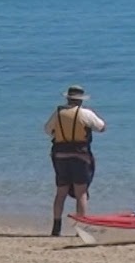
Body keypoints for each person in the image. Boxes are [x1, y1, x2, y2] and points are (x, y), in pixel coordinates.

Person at [45, 84, 106, 236]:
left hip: (60, 156)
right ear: (81, 100)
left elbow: (47, 130)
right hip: (80, 156)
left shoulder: (58, 113)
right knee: (81, 193)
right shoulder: (85, 113)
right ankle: (81, 228)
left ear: (68, 98)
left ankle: (56, 227)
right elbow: (102, 127)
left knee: (61, 193)